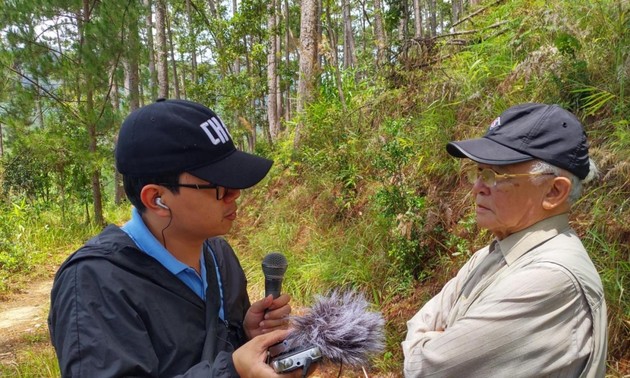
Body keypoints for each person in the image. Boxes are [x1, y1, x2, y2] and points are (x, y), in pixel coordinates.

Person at [49, 99, 298, 377]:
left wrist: (247, 335)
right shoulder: (95, 282)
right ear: (157, 199)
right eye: (218, 185)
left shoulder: (218, 254)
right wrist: (233, 370)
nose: (235, 194)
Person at [402, 103, 607, 377]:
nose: (476, 188)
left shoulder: (549, 277)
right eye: (478, 172)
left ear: (554, 192)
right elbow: (420, 322)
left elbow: (423, 368)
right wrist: (435, 339)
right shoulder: (495, 254)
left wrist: (430, 341)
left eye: (495, 175)